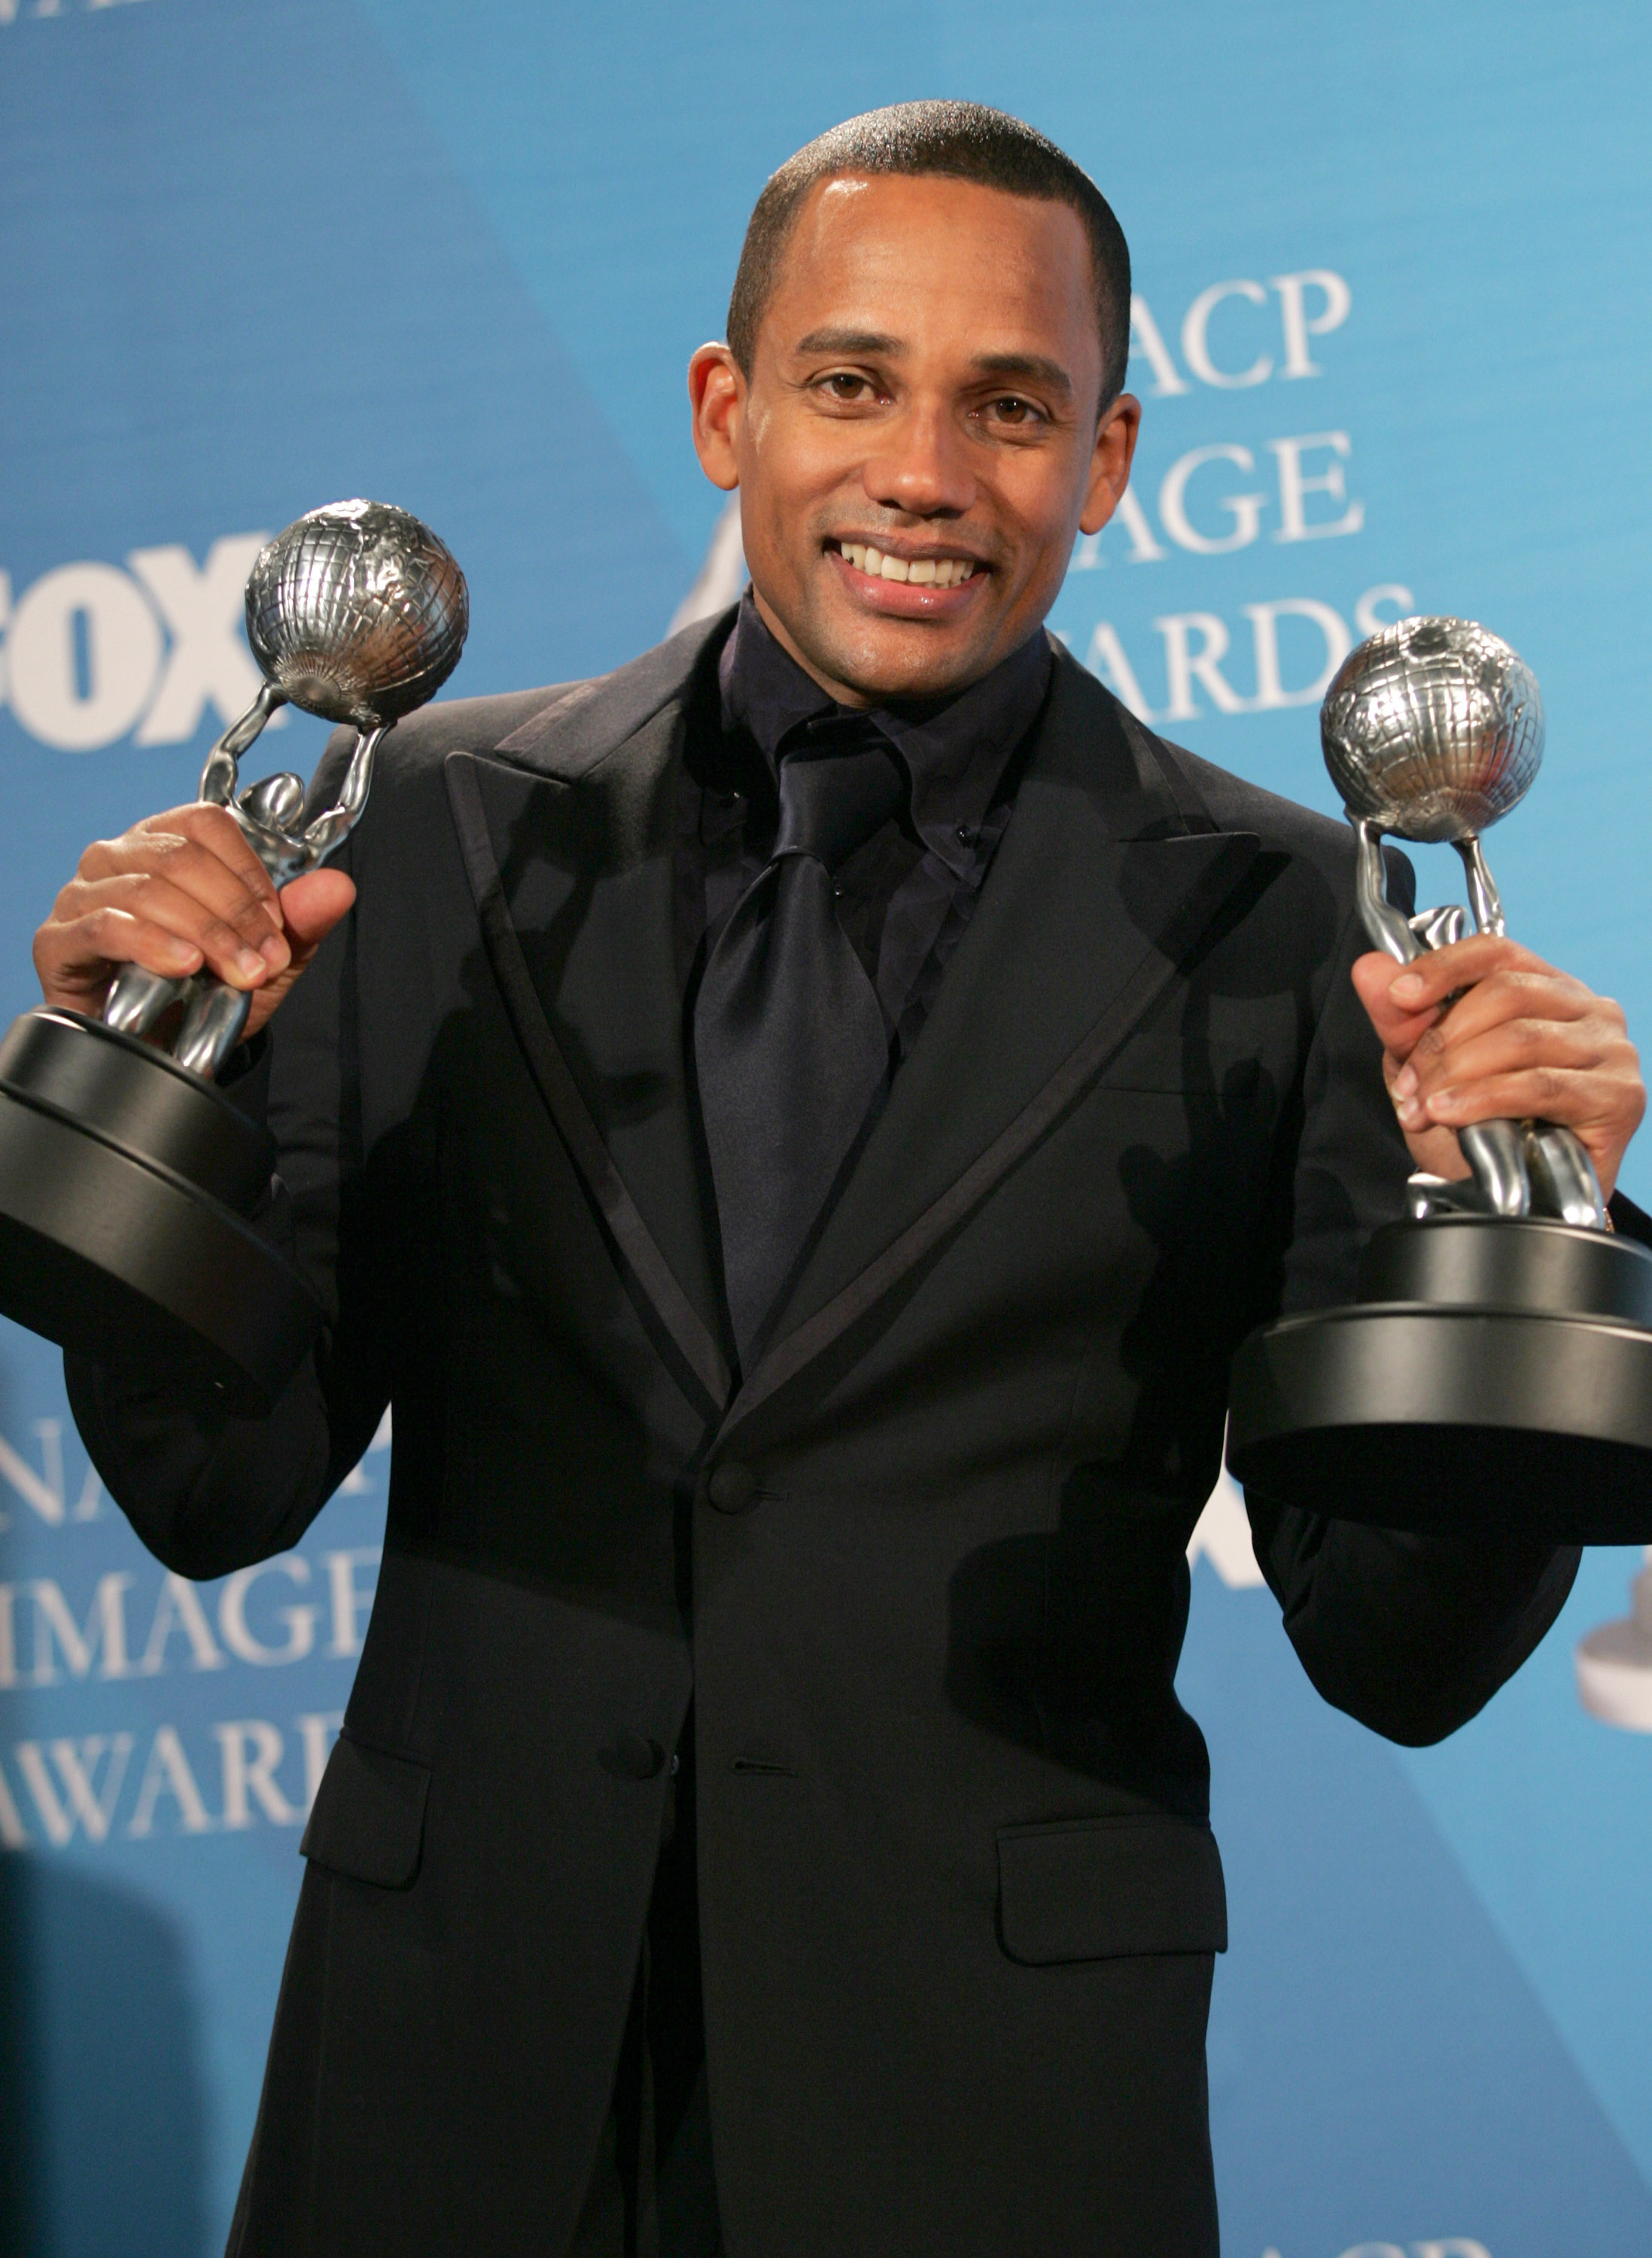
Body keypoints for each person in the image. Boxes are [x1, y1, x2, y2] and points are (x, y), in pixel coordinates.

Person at [32, 102, 1646, 2258]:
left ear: (1108, 462)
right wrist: (161, 1102)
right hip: (450, 2079)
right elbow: (210, 1492)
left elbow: (1398, 1649)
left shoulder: (1281, 928)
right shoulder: (425, 827)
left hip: (980, 2107)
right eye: (851, 380)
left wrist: (1537, 1233)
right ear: (727, 408)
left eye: (1009, 405)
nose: (922, 472)